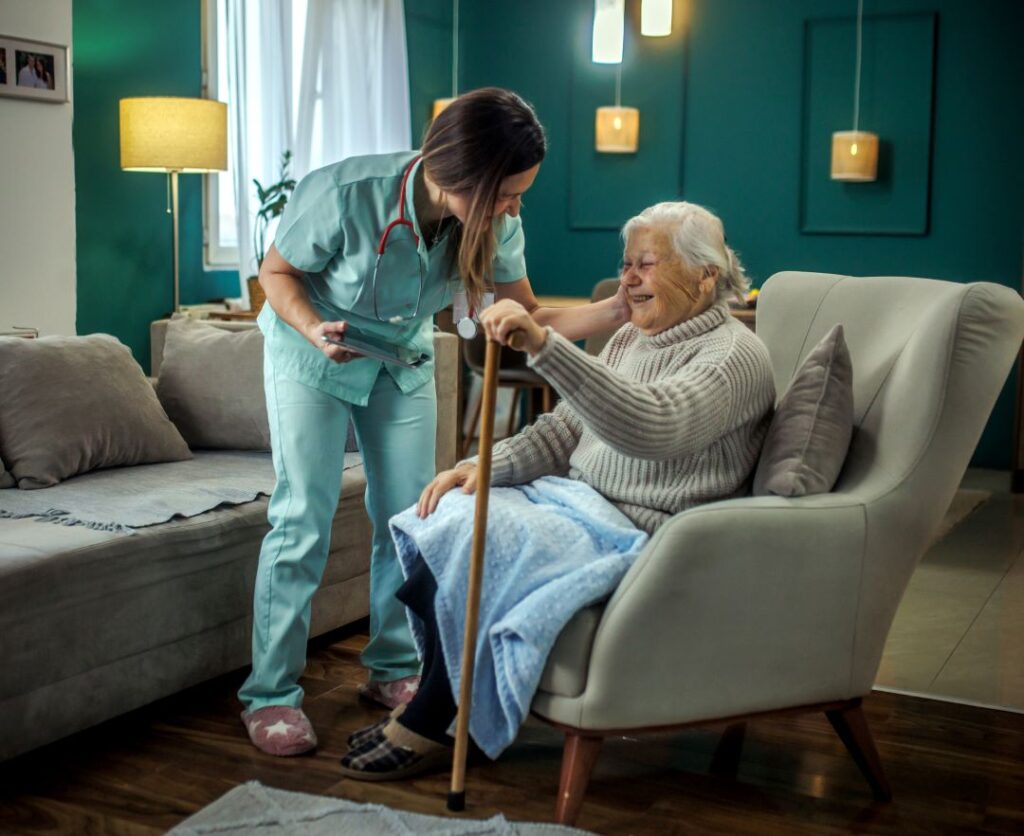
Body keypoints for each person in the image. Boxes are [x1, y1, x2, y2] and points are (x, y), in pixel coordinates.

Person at [238, 87, 629, 756]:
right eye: (505, 193)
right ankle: (270, 693)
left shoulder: (498, 223)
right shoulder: (345, 191)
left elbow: (527, 317)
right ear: (460, 178)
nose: (514, 207)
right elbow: (276, 274)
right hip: (314, 352)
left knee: (411, 518)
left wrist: (619, 311)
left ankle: (393, 666)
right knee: (304, 515)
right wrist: (311, 328)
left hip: (400, 359)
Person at [336, 201, 777, 780]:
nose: (628, 278)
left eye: (646, 263)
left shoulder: (735, 355)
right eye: (626, 264)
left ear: (706, 274)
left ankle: (432, 718)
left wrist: (547, 346)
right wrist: (485, 465)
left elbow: (652, 426)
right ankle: (439, 708)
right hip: (577, 503)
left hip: (640, 529)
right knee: (448, 517)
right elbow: (568, 427)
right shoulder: (631, 340)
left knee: (491, 537)